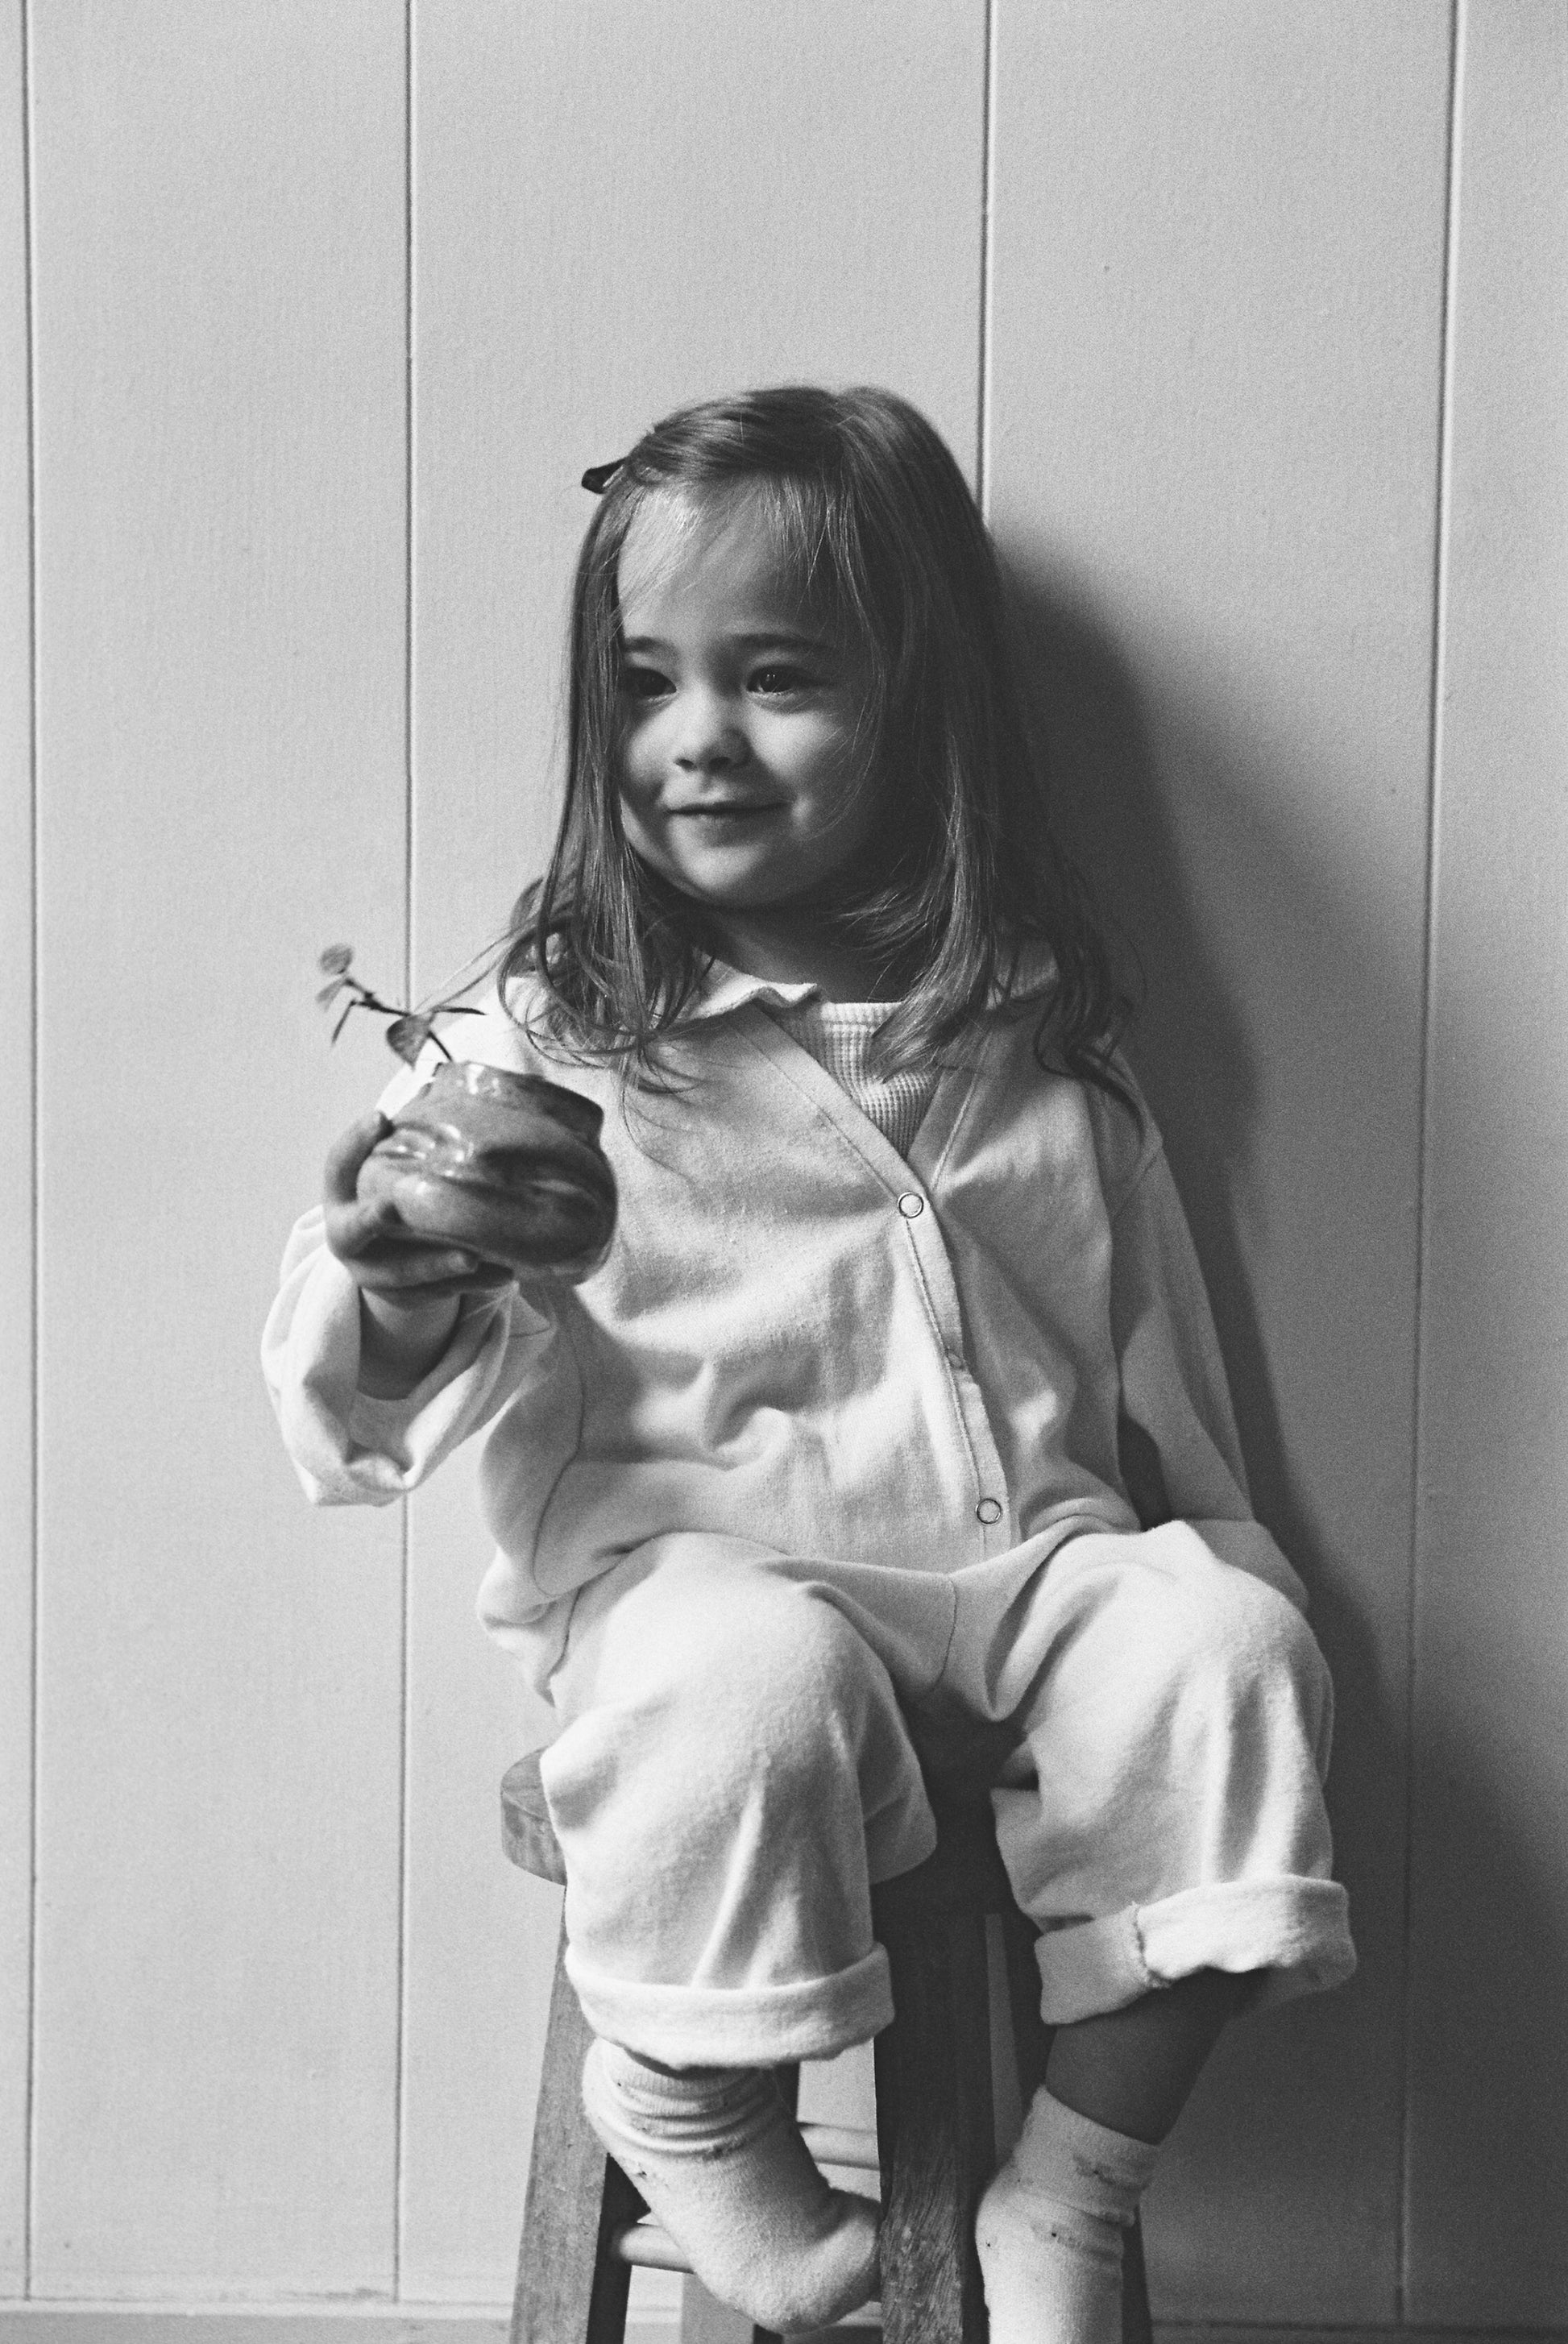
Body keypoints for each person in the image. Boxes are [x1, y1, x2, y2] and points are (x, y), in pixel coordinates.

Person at [263, 386, 1354, 2344]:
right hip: (715, 1607)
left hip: (1027, 1596)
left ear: (919, 705)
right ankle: (685, 2095)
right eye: (647, 682)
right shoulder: (552, 1042)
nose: (697, 740)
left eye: (774, 681)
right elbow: (374, 1390)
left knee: (1235, 1656)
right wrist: (403, 1267)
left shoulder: (1025, 1030)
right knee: (743, 1680)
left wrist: (1217, 1553)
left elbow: (1146, 1357)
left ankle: (1072, 2195)